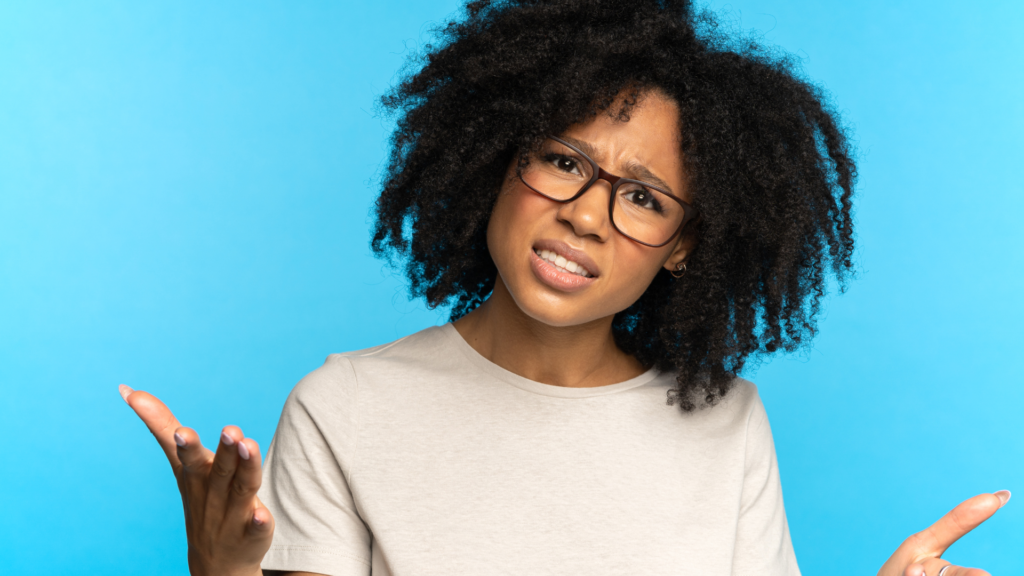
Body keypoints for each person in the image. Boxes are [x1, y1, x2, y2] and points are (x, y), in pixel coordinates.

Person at [119, 1, 1010, 575]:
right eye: (563, 161)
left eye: (644, 197)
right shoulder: (343, 407)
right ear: (497, 158)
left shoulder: (728, 421)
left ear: (685, 247)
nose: (587, 215)